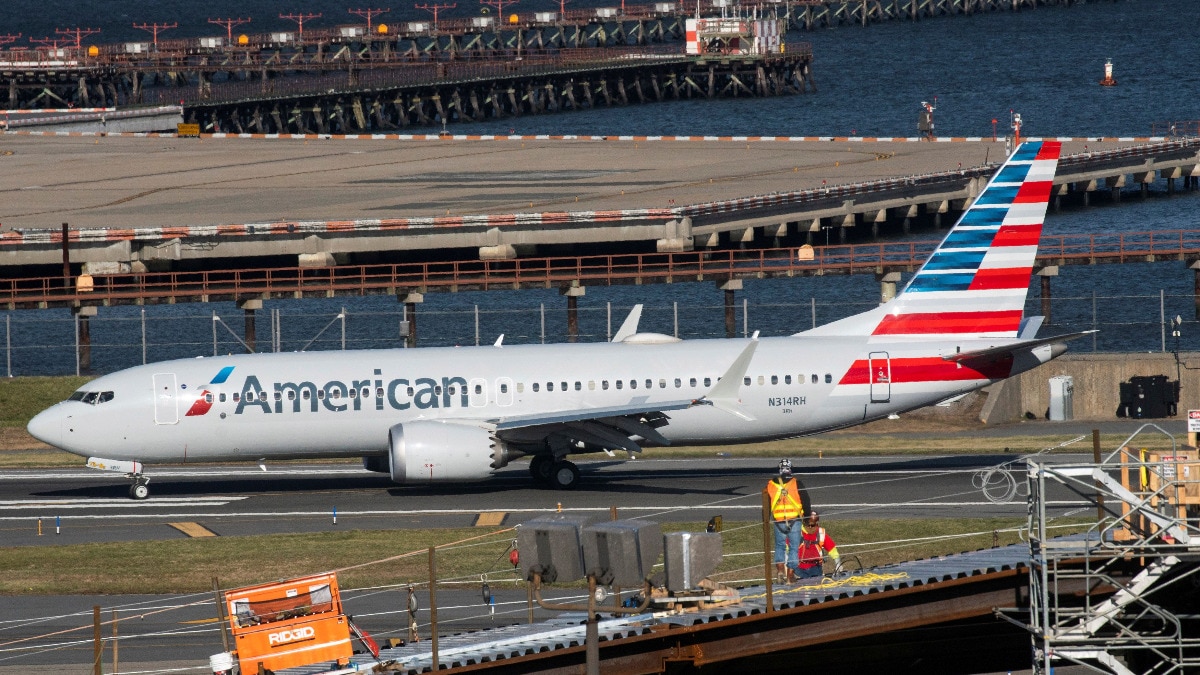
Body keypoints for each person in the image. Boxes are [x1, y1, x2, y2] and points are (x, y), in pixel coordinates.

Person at [766, 459, 804, 583]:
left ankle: (780, 570)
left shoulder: (771, 484)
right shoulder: (796, 483)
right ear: (790, 469)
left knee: (780, 546)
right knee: (794, 547)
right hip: (794, 520)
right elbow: (806, 501)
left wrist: (766, 519)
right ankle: (790, 575)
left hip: (778, 520)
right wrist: (808, 517)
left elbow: (766, 503)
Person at [796, 510, 840, 580]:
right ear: (804, 522)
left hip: (816, 568)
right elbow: (787, 549)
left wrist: (838, 564)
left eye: (812, 525)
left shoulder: (821, 533)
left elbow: (832, 549)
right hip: (799, 569)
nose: (810, 527)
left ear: (816, 523)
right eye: (808, 525)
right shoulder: (796, 532)